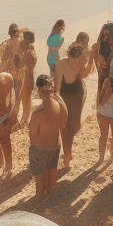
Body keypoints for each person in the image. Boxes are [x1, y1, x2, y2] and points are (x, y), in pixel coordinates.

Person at [28, 74, 67, 202]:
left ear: (39, 91)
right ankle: (49, 194)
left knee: (39, 186)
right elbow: (63, 125)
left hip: (39, 150)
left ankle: (40, 198)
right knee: (52, 170)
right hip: (54, 146)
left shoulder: (37, 113)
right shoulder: (60, 103)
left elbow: (33, 135)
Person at [53, 42, 90, 169]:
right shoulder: (61, 64)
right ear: (74, 57)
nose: (82, 61)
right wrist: (58, 103)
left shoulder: (79, 63)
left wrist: (91, 62)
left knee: (73, 126)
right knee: (64, 127)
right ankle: (67, 154)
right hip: (64, 98)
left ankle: (68, 151)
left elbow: (84, 75)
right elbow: (57, 87)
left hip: (77, 97)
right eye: (81, 58)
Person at [96, 71, 113, 164]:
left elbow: (101, 97)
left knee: (103, 136)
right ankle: (111, 156)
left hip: (102, 113)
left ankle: (101, 157)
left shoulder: (107, 82)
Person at [17, 30, 38, 125]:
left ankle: (25, 119)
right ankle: (17, 118)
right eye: (28, 41)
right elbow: (18, 63)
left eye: (30, 42)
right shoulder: (20, 47)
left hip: (28, 75)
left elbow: (33, 63)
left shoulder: (31, 48)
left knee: (26, 97)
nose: (29, 43)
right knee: (18, 97)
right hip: (21, 76)